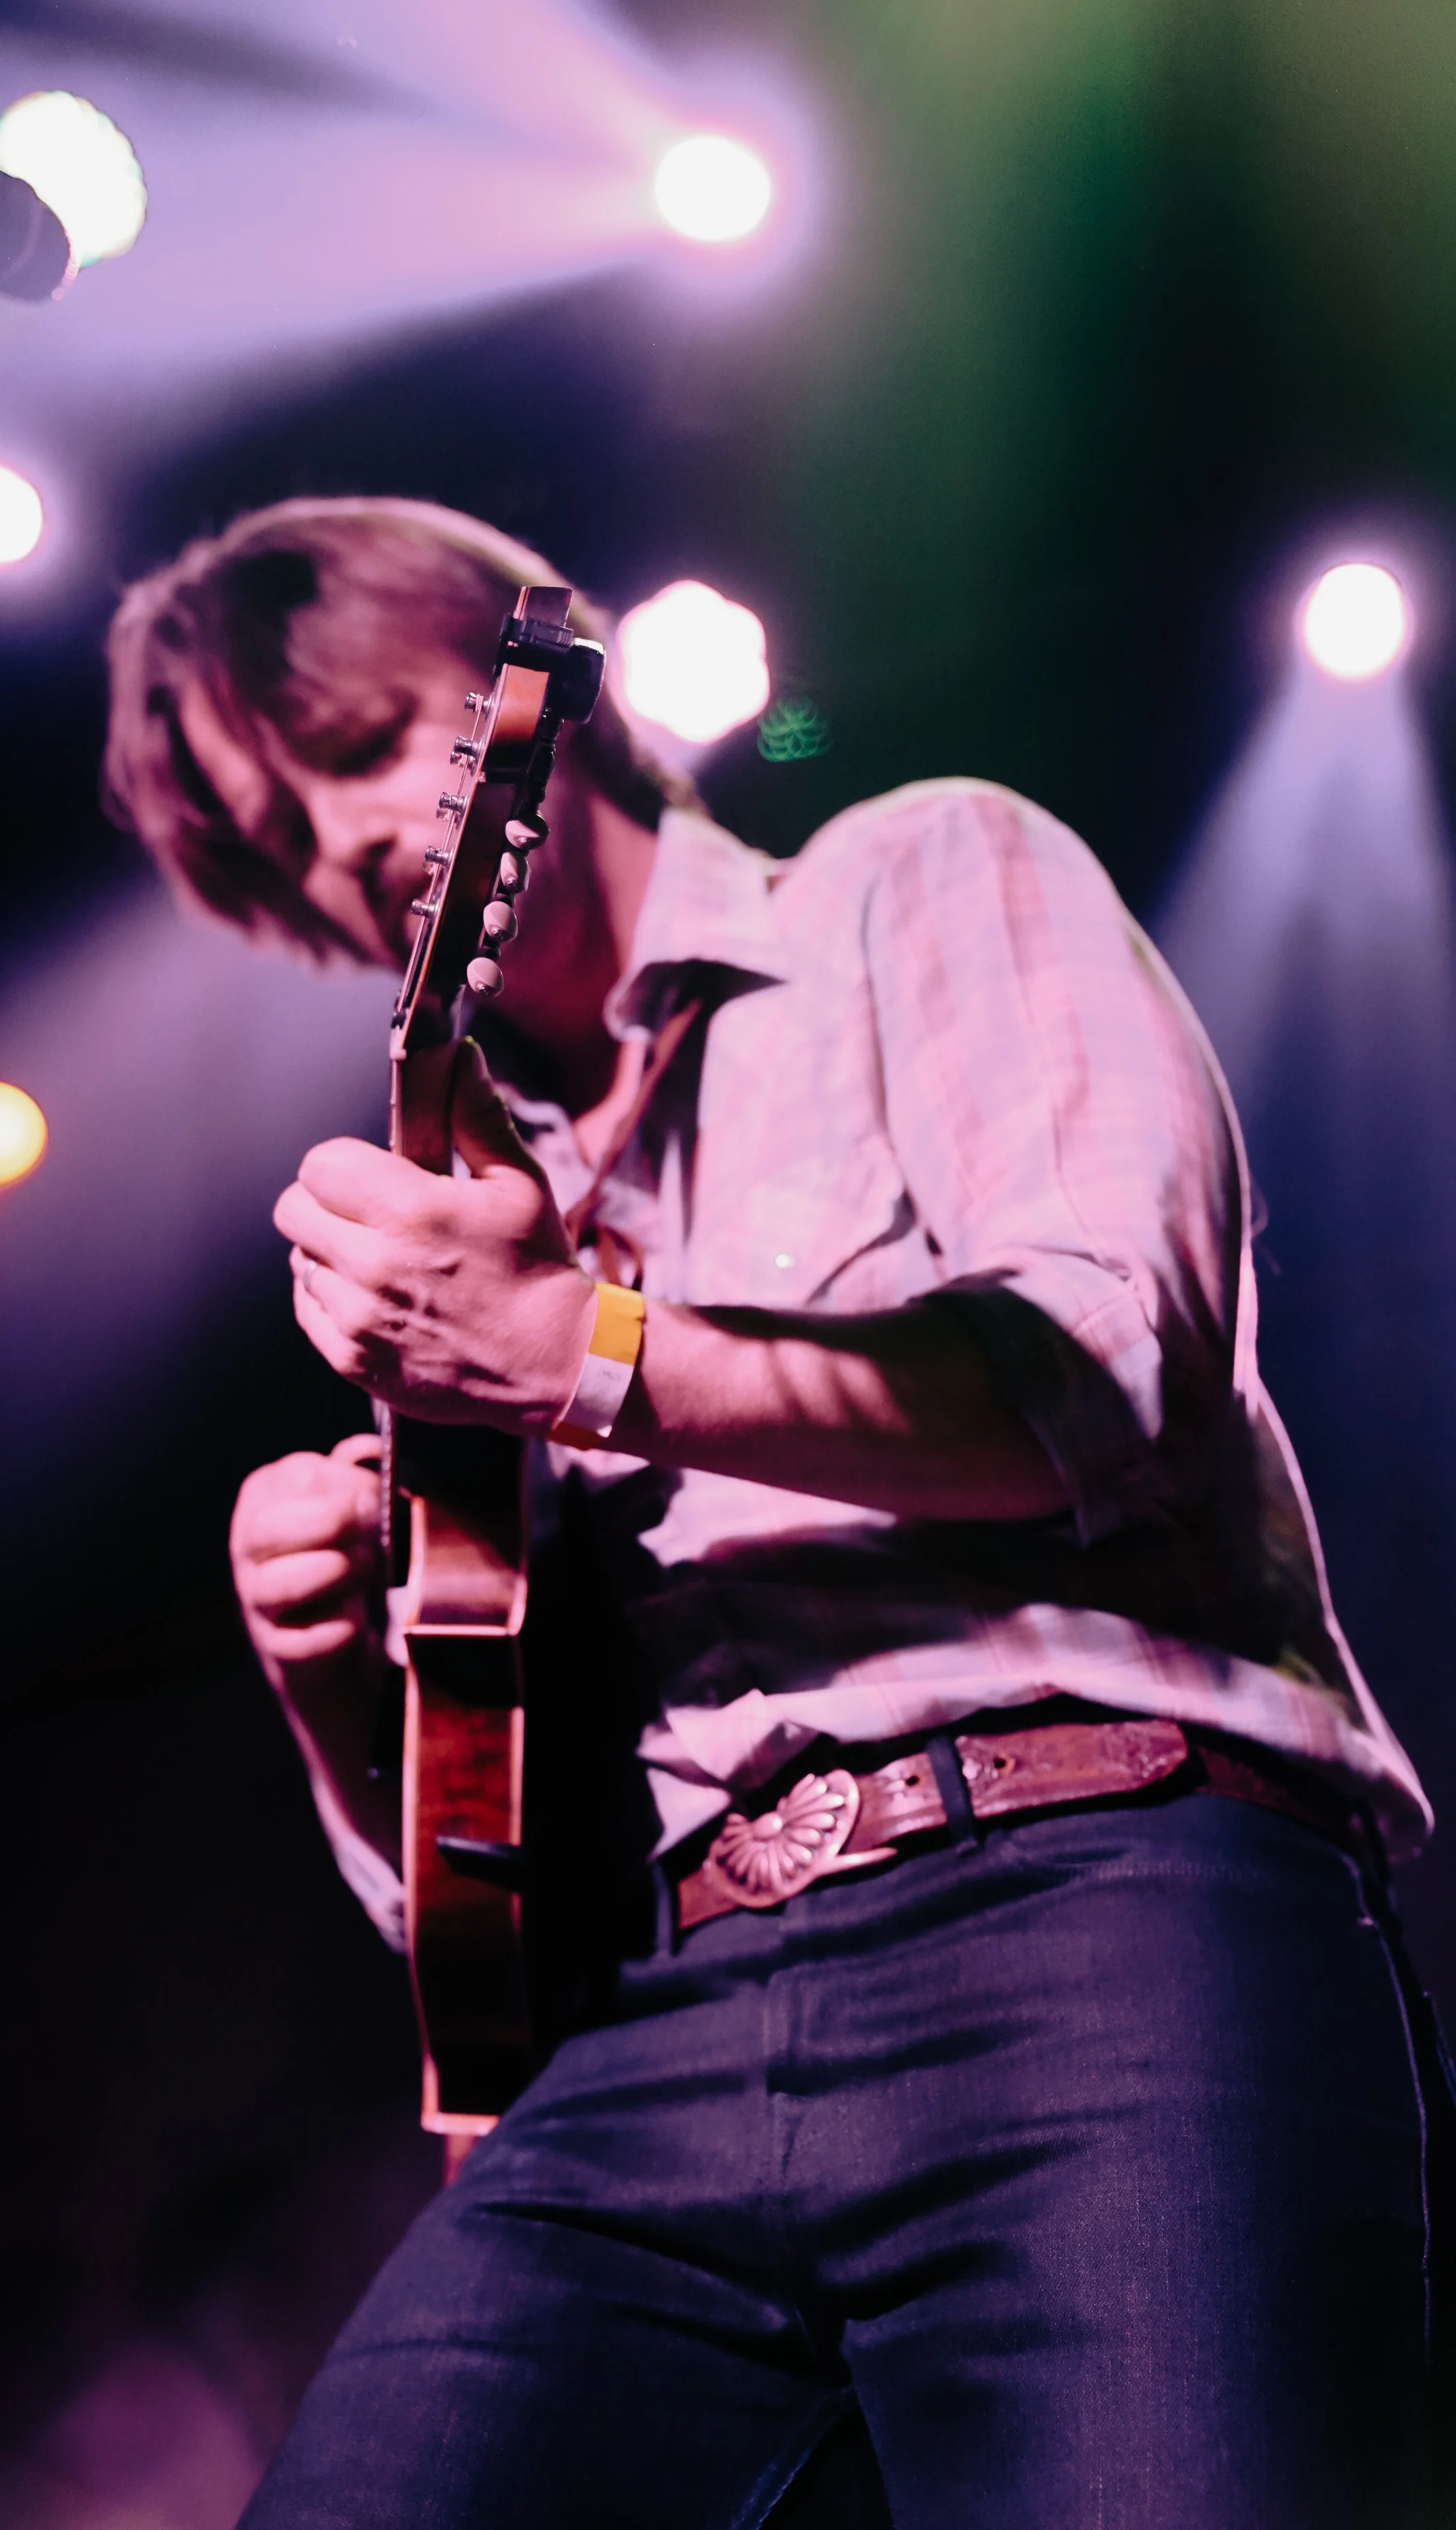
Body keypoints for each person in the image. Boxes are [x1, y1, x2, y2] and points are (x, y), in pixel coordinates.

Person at [103, 495, 1445, 2530]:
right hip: (667, 2012)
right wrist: (321, 1669)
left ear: (515, 686)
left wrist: (579, 1346)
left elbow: (1110, 1373)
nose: (352, 848)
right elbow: (471, 1900)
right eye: (279, 845)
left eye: (365, 753)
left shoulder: (921, 876)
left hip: (1093, 1894)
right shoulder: (471, 1193)